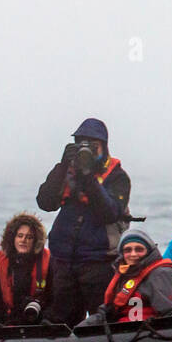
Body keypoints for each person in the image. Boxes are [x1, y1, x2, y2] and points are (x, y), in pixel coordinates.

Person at [35, 118, 133, 327]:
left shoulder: (118, 177)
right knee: (60, 321)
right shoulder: (65, 171)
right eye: (81, 144)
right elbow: (45, 202)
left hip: (99, 262)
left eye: (92, 145)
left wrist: (88, 177)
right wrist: (62, 166)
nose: (86, 149)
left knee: (102, 321)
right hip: (63, 261)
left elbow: (109, 213)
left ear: (104, 146)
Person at [80, 230, 172, 325]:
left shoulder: (160, 274)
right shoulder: (124, 274)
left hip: (147, 334)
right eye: (128, 250)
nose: (133, 254)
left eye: (139, 249)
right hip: (123, 333)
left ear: (148, 251)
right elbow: (108, 311)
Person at [0, 212, 51, 325]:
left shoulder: (48, 264)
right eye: (20, 236)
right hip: (10, 321)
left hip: (39, 321)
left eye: (29, 237)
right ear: (12, 238)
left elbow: (54, 298)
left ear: (35, 241)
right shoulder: (1, 265)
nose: (23, 240)